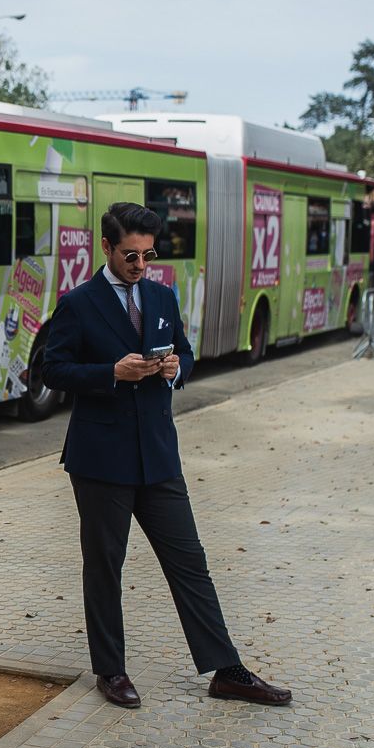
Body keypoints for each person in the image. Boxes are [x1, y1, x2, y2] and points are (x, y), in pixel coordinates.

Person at [40, 202, 291, 708]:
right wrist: (112, 372)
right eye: (130, 255)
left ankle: (226, 669)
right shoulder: (78, 304)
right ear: (106, 248)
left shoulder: (161, 296)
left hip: (157, 456)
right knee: (105, 567)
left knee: (190, 562)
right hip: (101, 460)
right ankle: (110, 671)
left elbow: (186, 351)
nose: (139, 264)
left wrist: (176, 367)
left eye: (148, 254)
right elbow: (53, 369)